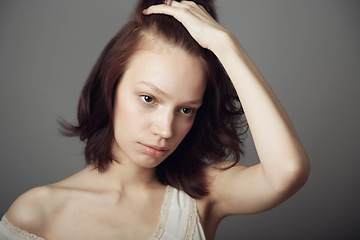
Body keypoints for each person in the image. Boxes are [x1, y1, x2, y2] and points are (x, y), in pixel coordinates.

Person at [0, 0, 310, 239]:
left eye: (186, 109)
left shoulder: (204, 193)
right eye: (149, 99)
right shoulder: (37, 213)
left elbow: (288, 171)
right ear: (111, 86)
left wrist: (225, 46)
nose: (165, 130)